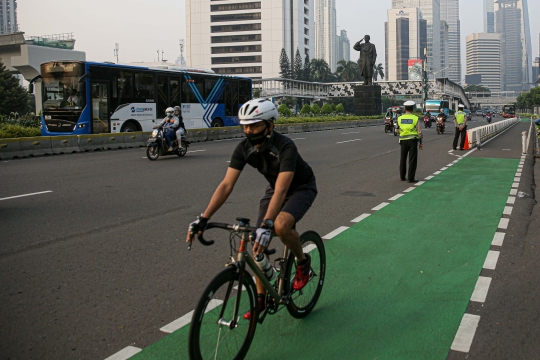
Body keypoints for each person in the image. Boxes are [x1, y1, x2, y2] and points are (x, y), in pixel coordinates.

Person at [186, 98, 317, 318]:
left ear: (270, 125)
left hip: (300, 187)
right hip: (274, 189)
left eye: (254, 125)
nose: (249, 131)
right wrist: (204, 218)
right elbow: (226, 185)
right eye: (245, 126)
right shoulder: (244, 148)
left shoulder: (286, 147)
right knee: (258, 241)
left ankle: (303, 263)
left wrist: (267, 225)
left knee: (281, 226)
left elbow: (282, 191)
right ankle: (261, 300)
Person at [398, 100, 423, 183]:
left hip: (403, 141)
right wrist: (421, 142)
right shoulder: (415, 118)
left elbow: (396, 129)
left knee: (403, 158)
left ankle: (402, 176)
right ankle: (411, 178)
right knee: (412, 159)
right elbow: (419, 131)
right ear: (412, 109)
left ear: (405, 108)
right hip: (412, 141)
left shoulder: (400, 118)